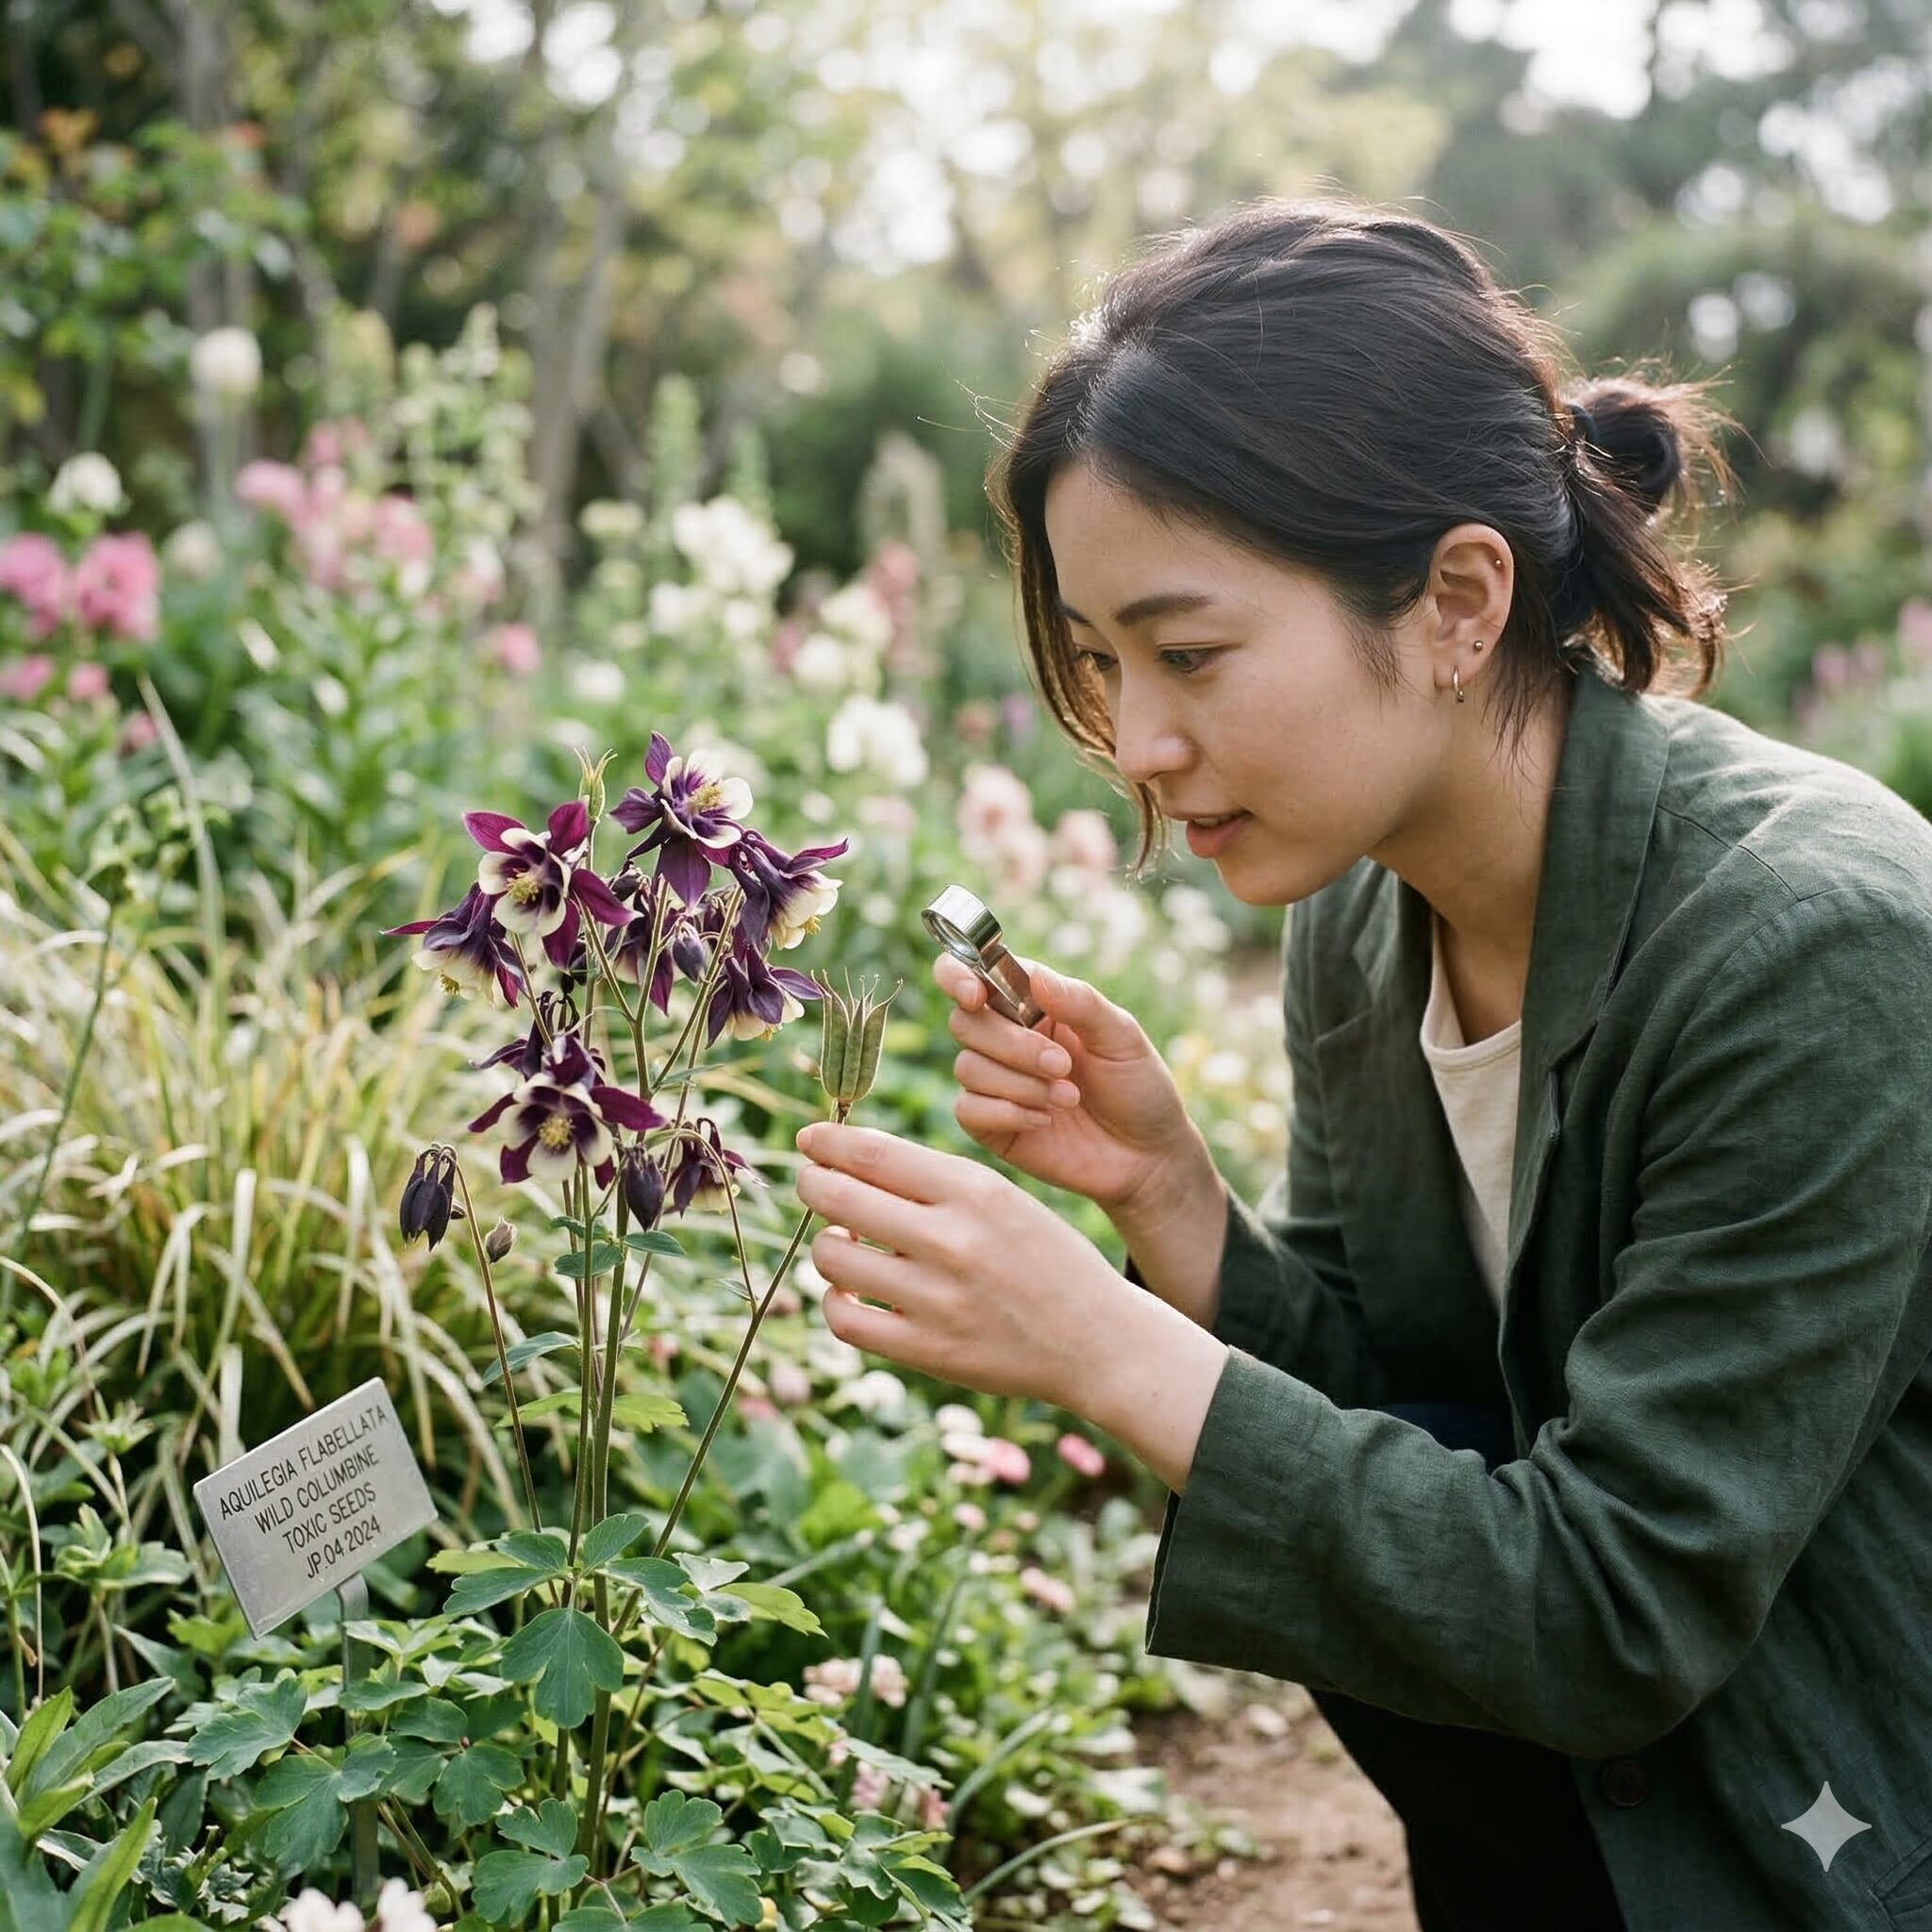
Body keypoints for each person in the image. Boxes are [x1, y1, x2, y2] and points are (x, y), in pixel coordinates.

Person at [789, 197, 1932, 1932]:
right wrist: (1176, 1208)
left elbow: (1612, 1600)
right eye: (1103, 664)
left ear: (1462, 598)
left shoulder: (1809, 946)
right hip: (1540, 1849)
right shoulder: (1362, 917)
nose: (1144, 746)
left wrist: (1103, 1345)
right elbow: (1420, 1426)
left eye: (1189, 653)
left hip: (1816, 1852)